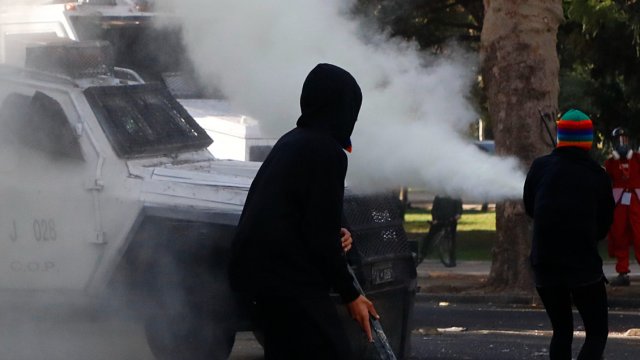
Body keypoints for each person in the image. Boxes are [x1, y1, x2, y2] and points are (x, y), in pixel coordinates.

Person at [228, 63, 378, 360]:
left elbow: (299, 218)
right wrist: (351, 295)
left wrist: (333, 232)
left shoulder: (292, 141)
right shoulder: (326, 152)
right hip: (287, 281)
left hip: (257, 275)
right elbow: (320, 238)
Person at [523, 109, 614, 360]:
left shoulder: (540, 167)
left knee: (561, 331)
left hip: (544, 264)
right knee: (596, 334)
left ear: (560, 137)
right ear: (588, 140)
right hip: (582, 265)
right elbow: (604, 224)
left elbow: (530, 208)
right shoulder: (597, 174)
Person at [604, 127, 640, 286]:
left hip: (636, 201)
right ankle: (622, 271)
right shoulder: (610, 162)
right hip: (619, 203)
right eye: (618, 140)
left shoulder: (638, 159)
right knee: (619, 236)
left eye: (624, 139)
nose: (622, 143)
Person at [422, 195, 463, 267]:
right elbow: (434, 209)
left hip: (451, 220)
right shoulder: (439, 196)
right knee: (430, 236)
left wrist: (458, 215)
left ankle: (452, 259)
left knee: (452, 240)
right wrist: (435, 218)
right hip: (439, 220)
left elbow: (459, 208)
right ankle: (422, 254)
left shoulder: (455, 195)